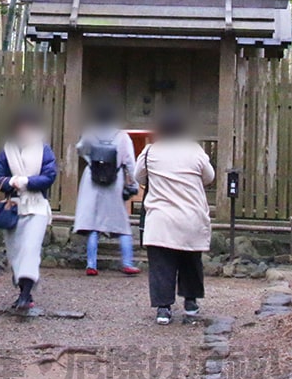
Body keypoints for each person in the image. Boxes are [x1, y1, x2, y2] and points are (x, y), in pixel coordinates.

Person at [134, 110, 215, 325]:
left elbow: (138, 176)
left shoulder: (151, 152)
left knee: (161, 263)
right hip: (191, 214)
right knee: (190, 260)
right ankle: (190, 302)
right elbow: (209, 177)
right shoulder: (195, 150)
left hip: (161, 216)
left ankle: (163, 308)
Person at [0, 107, 58, 312]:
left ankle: (25, 294)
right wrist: (11, 181)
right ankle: (23, 291)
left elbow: (49, 176)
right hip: (14, 207)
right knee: (16, 252)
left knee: (30, 249)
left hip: (36, 206)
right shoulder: (8, 149)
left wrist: (27, 181)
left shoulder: (43, 149)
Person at [73, 103, 141, 276]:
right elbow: (130, 162)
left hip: (92, 178)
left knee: (93, 223)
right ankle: (127, 262)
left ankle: (91, 264)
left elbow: (80, 149)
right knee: (121, 223)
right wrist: (133, 183)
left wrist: (91, 160)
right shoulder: (122, 137)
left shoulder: (90, 132)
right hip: (114, 178)